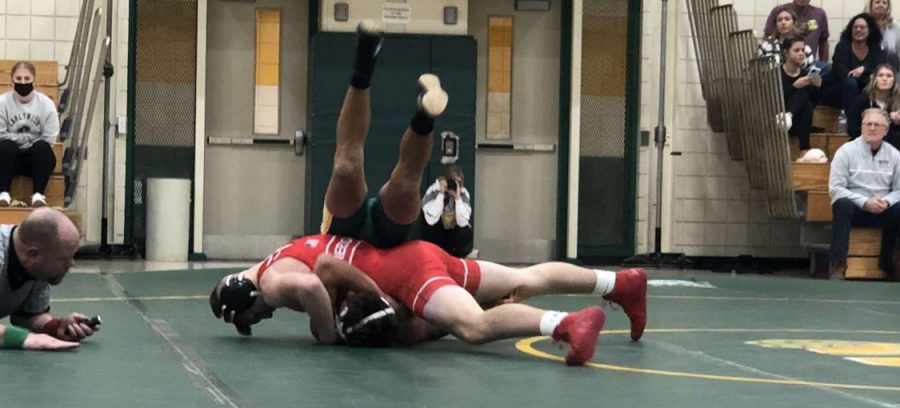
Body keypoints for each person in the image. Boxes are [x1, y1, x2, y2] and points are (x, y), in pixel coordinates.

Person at [210, 234, 647, 366]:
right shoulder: (282, 253)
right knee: (523, 276)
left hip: (405, 275)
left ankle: (565, 324)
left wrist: (327, 336)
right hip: (417, 254)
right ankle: (619, 284)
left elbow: (317, 278)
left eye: (251, 316)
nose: (261, 318)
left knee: (473, 327)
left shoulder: (271, 283)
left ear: (246, 298)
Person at [1, 208, 99, 351]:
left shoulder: (36, 264)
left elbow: (28, 316)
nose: (72, 264)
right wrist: (27, 338)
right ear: (33, 254)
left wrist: (55, 327)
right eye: (64, 259)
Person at [829, 108, 900, 280]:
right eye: (868, 124)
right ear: (861, 127)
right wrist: (865, 202)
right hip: (855, 209)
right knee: (841, 203)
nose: (872, 128)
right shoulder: (845, 151)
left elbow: (899, 190)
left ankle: (889, 261)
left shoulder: (895, 155)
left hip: (883, 209)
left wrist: (887, 202)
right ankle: (838, 265)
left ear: (886, 130)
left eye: (877, 125)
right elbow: (836, 188)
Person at [0, 61, 60, 208]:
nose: (23, 82)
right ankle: (3, 194)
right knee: (6, 146)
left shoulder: (46, 104)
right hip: (9, 159)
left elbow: (50, 138)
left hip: (36, 161)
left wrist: (23, 141)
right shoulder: (2, 102)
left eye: (27, 79)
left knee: (42, 148)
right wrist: (26, 140)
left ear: (34, 79)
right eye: (18, 78)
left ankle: (38, 195)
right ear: (12, 79)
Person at [821, 14, 885, 117]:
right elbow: (841, 73)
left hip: (862, 91)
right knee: (851, 83)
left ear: (870, 30)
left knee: (878, 82)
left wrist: (864, 69)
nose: (858, 30)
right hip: (838, 90)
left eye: (862, 27)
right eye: (855, 27)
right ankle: (851, 122)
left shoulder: (875, 48)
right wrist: (863, 74)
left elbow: (879, 68)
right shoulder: (843, 46)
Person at [777, 36, 822, 160]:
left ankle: (789, 115)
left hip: (798, 123)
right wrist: (794, 86)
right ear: (786, 53)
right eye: (796, 50)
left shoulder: (805, 74)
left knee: (807, 104)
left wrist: (817, 87)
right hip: (778, 121)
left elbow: (814, 103)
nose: (801, 53)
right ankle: (804, 148)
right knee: (804, 95)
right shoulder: (776, 73)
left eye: (803, 50)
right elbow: (774, 99)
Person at [420, 165, 473, 258]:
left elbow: (463, 222)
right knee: (431, 225)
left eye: (458, 182)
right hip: (438, 232)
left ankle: (457, 256)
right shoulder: (433, 191)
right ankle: (435, 255)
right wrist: (440, 194)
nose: (454, 185)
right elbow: (430, 220)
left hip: (454, 231)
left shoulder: (463, 193)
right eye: (452, 181)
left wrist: (458, 199)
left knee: (464, 230)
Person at [847, 64, 900, 146]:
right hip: (865, 142)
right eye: (881, 75)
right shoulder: (862, 100)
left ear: (894, 80)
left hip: (892, 144)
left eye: (889, 76)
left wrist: (896, 123)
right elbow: (852, 128)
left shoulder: (898, 100)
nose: (884, 79)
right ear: (874, 79)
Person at [764, 0, 830, 62]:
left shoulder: (819, 14)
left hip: (807, 62)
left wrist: (823, 64)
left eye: (787, 19)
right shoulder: (780, 11)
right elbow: (767, 38)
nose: (783, 22)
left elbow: (824, 43)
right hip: (780, 63)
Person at [866, 0, 900, 70]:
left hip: (888, 70)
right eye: (877, 2)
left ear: (888, 7)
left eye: (884, 3)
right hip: (866, 67)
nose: (881, 5)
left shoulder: (894, 29)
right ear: (871, 5)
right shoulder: (862, 25)